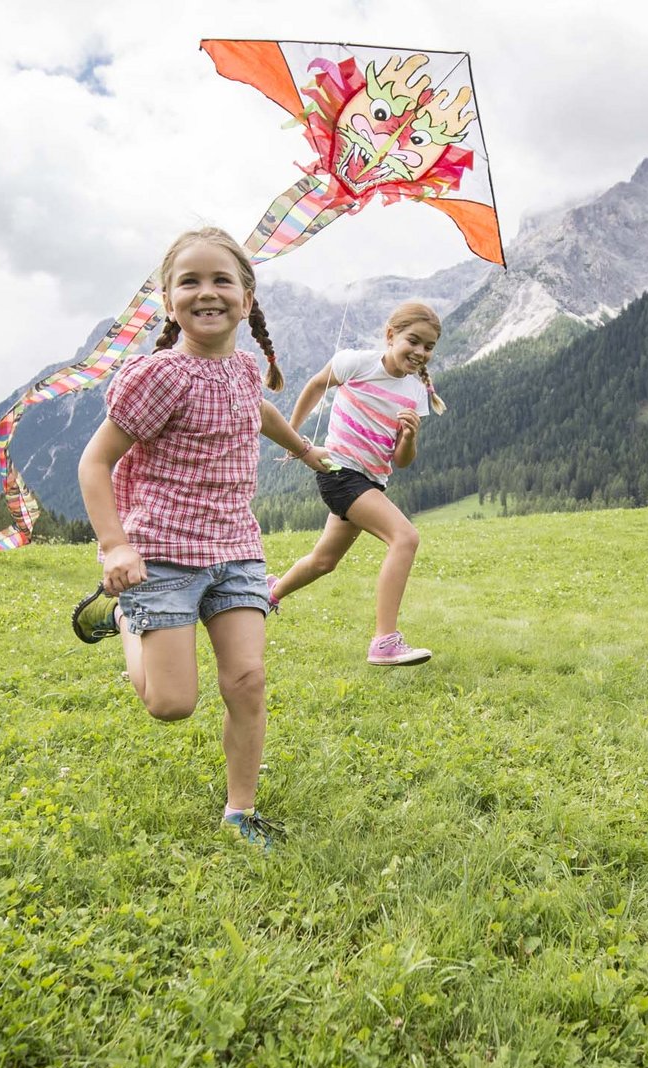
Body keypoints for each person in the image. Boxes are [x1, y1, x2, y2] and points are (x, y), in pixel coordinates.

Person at [68, 227, 333, 848]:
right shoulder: (159, 377)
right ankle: (129, 621)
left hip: (236, 549)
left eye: (222, 280)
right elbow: (93, 463)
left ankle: (240, 811)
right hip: (160, 553)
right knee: (171, 704)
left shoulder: (243, 369)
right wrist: (116, 547)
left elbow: (259, 410)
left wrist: (303, 448)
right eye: (189, 281)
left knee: (246, 679)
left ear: (247, 297)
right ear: (167, 299)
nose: (206, 292)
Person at [267, 301, 446, 666]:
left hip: (370, 481)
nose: (420, 352)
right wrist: (294, 438)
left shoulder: (415, 393)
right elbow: (316, 385)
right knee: (405, 538)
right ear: (391, 335)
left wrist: (410, 438)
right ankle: (384, 642)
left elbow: (401, 461)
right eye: (414, 341)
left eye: (429, 347)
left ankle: (269, 593)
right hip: (339, 473)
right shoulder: (356, 363)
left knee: (323, 561)